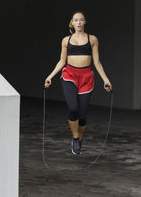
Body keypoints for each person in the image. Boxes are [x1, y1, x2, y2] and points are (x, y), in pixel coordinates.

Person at [44, 11, 112, 155]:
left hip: (87, 77)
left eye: (81, 20)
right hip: (69, 75)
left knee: (82, 115)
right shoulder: (65, 40)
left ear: (85, 22)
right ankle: (75, 138)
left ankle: (80, 139)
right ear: (72, 23)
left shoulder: (92, 39)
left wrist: (105, 79)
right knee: (73, 108)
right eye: (76, 20)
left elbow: (97, 62)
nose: (79, 22)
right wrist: (50, 76)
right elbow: (62, 61)